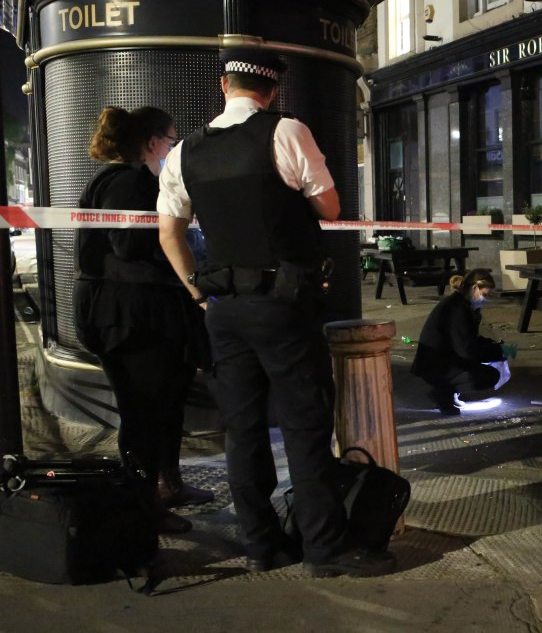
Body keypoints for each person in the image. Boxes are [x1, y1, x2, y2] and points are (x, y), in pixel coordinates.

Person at [156, 47, 394, 578]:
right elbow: (329, 206)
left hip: (224, 309)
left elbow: (169, 231)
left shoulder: (185, 153)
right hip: (282, 306)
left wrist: (197, 290)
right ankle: (325, 550)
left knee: (242, 430)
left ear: (223, 85)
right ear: (272, 92)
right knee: (305, 427)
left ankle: (261, 545)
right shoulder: (286, 131)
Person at [74, 105, 213, 536]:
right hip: (131, 318)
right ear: (153, 143)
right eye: (172, 142)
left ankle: (167, 486)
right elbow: (132, 245)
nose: (172, 150)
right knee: (144, 412)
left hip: (138, 314)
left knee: (167, 404)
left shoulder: (123, 179)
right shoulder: (129, 182)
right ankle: (143, 507)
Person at [411, 268, 513, 416]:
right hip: (435, 365)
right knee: (489, 375)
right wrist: (497, 352)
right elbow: (466, 351)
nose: (486, 299)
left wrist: (494, 347)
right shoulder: (459, 310)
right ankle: (442, 393)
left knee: (485, 365)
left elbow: (468, 339)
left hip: (441, 359)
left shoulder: (462, 304)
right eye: (484, 295)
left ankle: (448, 391)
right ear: (474, 288)